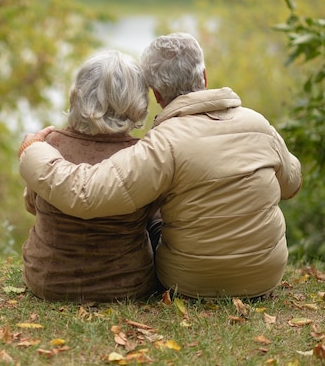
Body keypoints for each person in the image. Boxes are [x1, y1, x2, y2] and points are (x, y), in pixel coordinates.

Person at [19, 33, 302, 299]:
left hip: (190, 282)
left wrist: (33, 152)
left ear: (155, 94)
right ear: (204, 76)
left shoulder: (161, 144)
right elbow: (291, 184)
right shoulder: (258, 124)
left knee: (156, 203)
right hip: (265, 276)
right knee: (157, 208)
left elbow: (84, 194)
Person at [19, 50, 160, 303]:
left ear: (78, 94)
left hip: (48, 282)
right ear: (137, 100)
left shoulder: (48, 146)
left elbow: (32, 205)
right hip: (127, 286)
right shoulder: (143, 155)